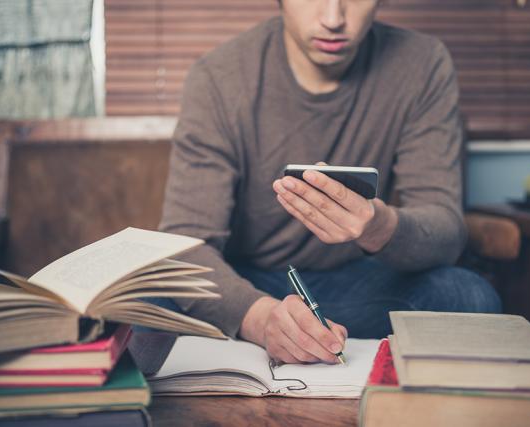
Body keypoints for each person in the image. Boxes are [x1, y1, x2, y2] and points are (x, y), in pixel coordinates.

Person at [158, 0, 501, 365]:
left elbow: (446, 231)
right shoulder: (219, 76)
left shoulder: (422, 63)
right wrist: (259, 319)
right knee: (143, 306)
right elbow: (186, 244)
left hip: (357, 284)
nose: (333, 19)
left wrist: (378, 226)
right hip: (246, 285)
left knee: (467, 296)